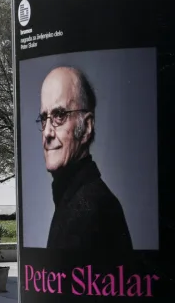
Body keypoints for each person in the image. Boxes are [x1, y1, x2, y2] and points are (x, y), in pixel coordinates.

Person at [39, 66, 132, 251]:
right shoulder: (72, 199)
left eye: (59, 116)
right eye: (44, 118)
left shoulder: (93, 208)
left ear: (86, 127)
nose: (47, 132)